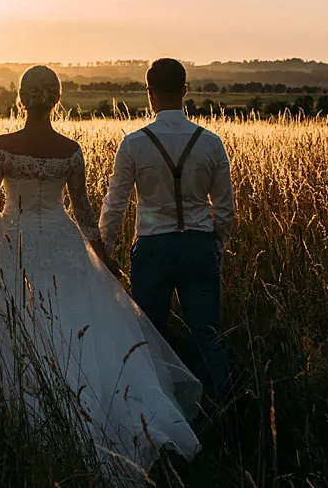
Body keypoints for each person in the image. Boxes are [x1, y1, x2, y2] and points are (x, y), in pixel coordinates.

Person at [0, 65, 202, 484]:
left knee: (13, 329)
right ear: (56, 100)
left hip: (11, 241)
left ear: (22, 98)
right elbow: (84, 211)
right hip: (62, 244)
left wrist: (1, 227)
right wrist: (103, 257)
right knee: (75, 328)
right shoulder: (70, 150)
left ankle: (23, 425)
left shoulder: (1, 146)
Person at [99, 58, 235, 402]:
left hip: (152, 250)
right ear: (185, 91)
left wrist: (105, 252)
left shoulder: (133, 143)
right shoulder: (211, 143)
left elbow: (115, 205)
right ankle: (225, 413)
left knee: (150, 339)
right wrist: (214, 245)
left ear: (151, 94)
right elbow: (225, 209)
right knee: (207, 337)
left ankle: (156, 413)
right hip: (198, 246)